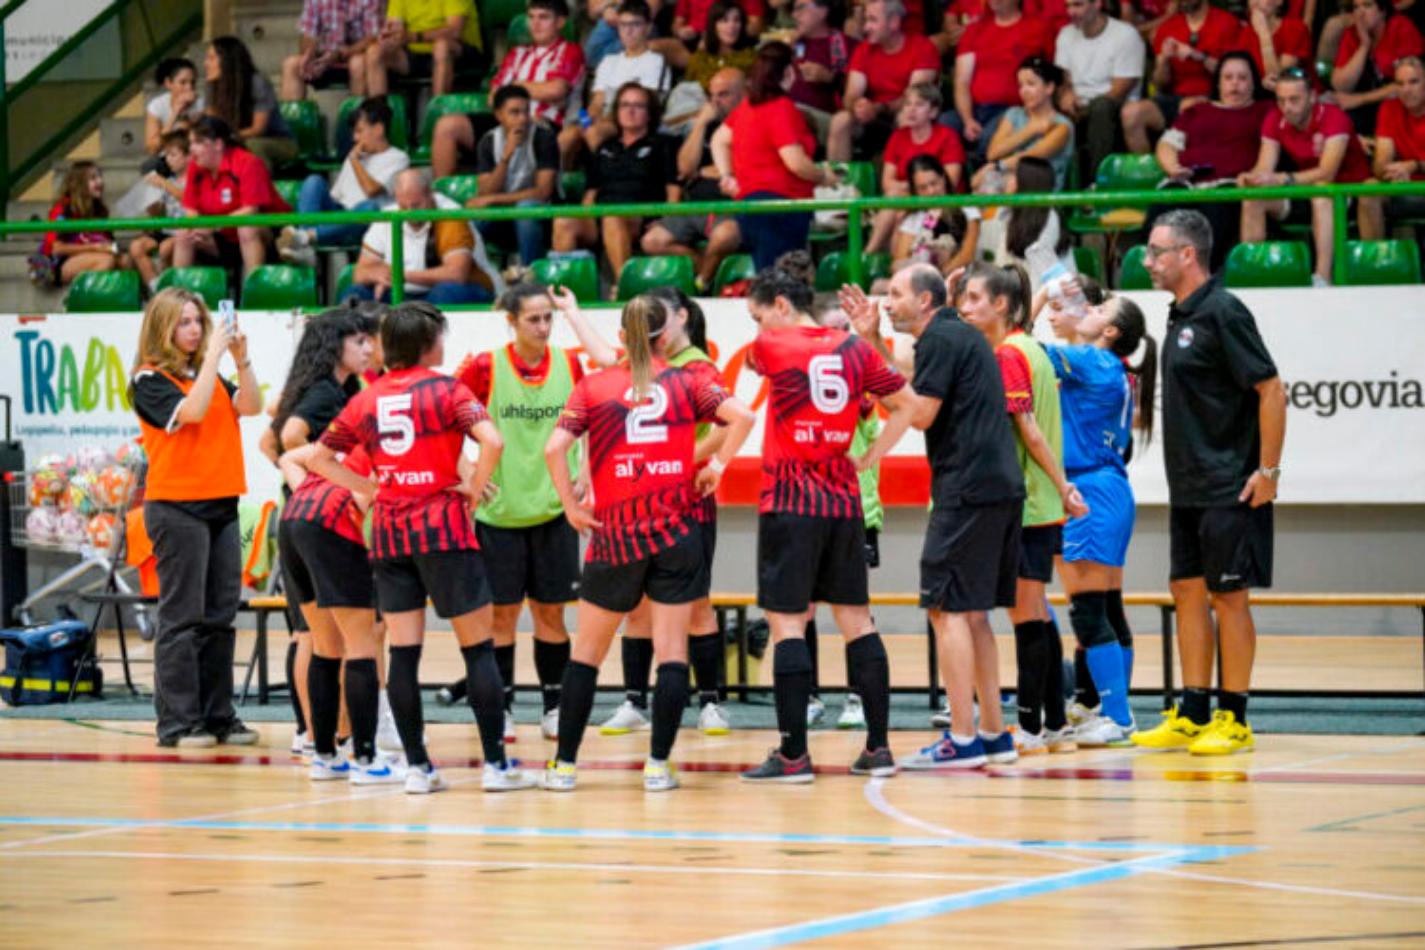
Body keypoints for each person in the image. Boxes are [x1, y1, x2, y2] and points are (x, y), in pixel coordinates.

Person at [314, 301, 537, 794]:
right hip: (443, 529)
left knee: (405, 656)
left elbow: (316, 456)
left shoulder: (366, 398)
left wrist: (371, 490)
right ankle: (497, 768)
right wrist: (476, 487)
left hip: (391, 533)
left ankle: (418, 769)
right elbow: (493, 441)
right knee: (478, 650)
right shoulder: (447, 389)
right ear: (426, 343)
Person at [540, 296, 756, 793]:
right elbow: (742, 416)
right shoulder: (687, 380)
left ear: (621, 337)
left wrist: (571, 506)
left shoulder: (594, 385)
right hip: (675, 532)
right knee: (672, 652)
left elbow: (555, 448)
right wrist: (716, 467)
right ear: (666, 338)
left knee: (587, 654)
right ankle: (658, 765)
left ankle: (565, 766)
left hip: (615, 535)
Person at [738, 268, 914, 784]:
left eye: (757, 313)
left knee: (788, 624)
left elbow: (753, 364)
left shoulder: (771, 344)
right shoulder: (856, 350)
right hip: (843, 499)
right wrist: (874, 453)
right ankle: (878, 749)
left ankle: (794, 755)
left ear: (779, 305)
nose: (756, 324)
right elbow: (904, 404)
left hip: (790, 500)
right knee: (858, 621)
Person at [843, 264, 1022, 769]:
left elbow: (919, 413)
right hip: (997, 488)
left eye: (896, 293)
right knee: (973, 613)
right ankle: (993, 734)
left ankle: (960, 740)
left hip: (966, 489)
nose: (887, 300)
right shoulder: (954, 338)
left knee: (945, 610)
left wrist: (873, 452)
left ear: (926, 301)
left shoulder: (941, 339)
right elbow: (910, 389)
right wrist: (874, 340)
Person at [1134, 208, 1286, 756]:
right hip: (1188, 488)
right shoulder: (1178, 315)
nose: (1147, 261)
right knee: (1187, 592)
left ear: (1187, 255)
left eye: (1156, 251)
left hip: (1230, 485)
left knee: (1229, 597)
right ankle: (1193, 713)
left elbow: (1271, 390)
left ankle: (1235, 717)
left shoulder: (1224, 311)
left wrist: (1267, 472)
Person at [590, 286, 740, 736]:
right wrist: (573, 312)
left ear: (680, 317)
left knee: (695, 606)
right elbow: (601, 371)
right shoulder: (635, 367)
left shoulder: (697, 366)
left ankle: (711, 703)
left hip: (686, 501)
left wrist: (695, 460)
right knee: (636, 608)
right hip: (636, 502)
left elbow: (730, 423)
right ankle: (635, 701)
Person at [955, 261, 1087, 754]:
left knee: (1026, 615)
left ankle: (1030, 726)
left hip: (1029, 504)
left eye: (972, 300)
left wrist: (1064, 486)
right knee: (1037, 613)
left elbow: (1028, 431)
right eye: (962, 300)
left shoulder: (1011, 354)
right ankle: (1054, 722)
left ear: (1002, 306)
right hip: (1040, 502)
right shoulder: (1030, 347)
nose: (965, 309)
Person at [450, 283, 586, 743]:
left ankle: (553, 707)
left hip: (553, 510)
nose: (544, 326)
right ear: (511, 321)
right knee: (501, 618)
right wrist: (467, 469)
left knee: (551, 616)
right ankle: (502, 709)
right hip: (499, 513)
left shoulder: (570, 362)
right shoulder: (485, 366)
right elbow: (442, 419)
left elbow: (594, 419)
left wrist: (585, 468)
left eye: (549, 317)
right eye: (533, 319)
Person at [129, 287, 262, 749]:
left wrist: (240, 360)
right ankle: (178, 723)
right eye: (184, 322)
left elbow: (251, 406)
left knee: (219, 618)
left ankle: (218, 716)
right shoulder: (149, 380)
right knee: (182, 618)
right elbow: (194, 411)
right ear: (163, 327)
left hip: (222, 504)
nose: (194, 330)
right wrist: (213, 359)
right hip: (177, 508)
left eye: (198, 322)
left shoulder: (209, 376)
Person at [1039, 280, 1158, 747]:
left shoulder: (1091, 360)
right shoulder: (1114, 367)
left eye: (1099, 307)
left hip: (1087, 488)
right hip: (1109, 489)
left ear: (1108, 330)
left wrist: (1040, 293)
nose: (1088, 307)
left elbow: (1018, 346)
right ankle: (1108, 710)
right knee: (1106, 606)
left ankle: (1118, 716)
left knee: (1088, 611)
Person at [1238, 68, 1381, 286]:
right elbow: (1264, 167)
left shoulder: (1335, 117)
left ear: (1313, 96)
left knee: (1321, 194)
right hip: (1303, 190)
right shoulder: (1274, 118)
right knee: (1253, 199)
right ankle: (1254, 273)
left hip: (1344, 192)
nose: (1287, 107)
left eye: (1294, 99)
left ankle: (1323, 277)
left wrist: (1281, 179)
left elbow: (1327, 172)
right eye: (1281, 100)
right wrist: (1252, 178)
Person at [713, 42, 837, 270]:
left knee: (768, 276)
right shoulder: (782, 108)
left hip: (750, 207)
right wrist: (823, 176)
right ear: (789, 72)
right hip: (781, 208)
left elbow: (719, 139)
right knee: (780, 282)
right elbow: (795, 162)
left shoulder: (746, 107)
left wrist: (727, 176)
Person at [1151, 51, 1273, 271]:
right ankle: (1153, 271)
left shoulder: (1265, 111)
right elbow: (1167, 144)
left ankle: (1199, 276)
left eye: (1242, 78)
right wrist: (1173, 168)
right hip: (1186, 181)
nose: (1235, 84)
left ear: (1254, 83)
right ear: (1218, 82)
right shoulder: (1197, 111)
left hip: (1228, 185)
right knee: (1165, 203)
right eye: (1228, 77)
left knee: (1214, 208)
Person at [429, 0, 584, 171]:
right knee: (447, 125)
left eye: (543, 17)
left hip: (545, 125)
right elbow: (494, 96)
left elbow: (556, 90)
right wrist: (535, 90)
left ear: (560, 22)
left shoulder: (571, 51)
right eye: (531, 17)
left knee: (521, 126)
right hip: (505, 122)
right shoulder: (517, 53)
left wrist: (515, 86)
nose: (536, 24)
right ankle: (440, 195)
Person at [552, 82, 679, 284]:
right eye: (624, 105)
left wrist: (668, 221)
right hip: (601, 216)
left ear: (650, 113)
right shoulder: (604, 147)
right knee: (564, 221)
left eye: (638, 106)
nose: (630, 111)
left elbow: (674, 192)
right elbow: (590, 195)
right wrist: (584, 216)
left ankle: (623, 287)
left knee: (612, 217)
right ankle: (570, 289)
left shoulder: (663, 144)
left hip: (642, 217)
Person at [642, 68, 746, 289]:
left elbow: (739, 169)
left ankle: (702, 284)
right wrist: (700, 123)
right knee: (651, 241)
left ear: (742, 95)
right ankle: (703, 265)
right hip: (696, 205)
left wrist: (710, 170)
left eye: (724, 94)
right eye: (712, 95)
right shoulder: (706, 124)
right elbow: (686, 168)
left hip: (731, 206)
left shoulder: (751, 122)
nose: (716, 102)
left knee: (725, 235)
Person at [279, 98, 412, 264]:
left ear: (378, 129)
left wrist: (355, 161)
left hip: (366, 223)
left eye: (360, 131)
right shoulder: (354, 156)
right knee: (313, 181)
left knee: (370, 208)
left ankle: (305, 237)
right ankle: (305, 245)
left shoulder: (398, 158)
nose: (355, 138)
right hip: (340, 218)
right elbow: (336, 196)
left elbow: (371, 191)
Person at [352, 168, 501, 304]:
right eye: (403, 207)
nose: (410, 212)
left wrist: (400, 275)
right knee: (356, 294)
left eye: (416, 205)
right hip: (404, 292)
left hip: (467, 289)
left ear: (430, 193)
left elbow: (457, 273)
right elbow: (360, 272)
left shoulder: (450, 214)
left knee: (444, 293)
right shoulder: (387, 215)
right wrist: (376, 276)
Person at [1121, 0, 1246, 154]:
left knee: (1189, 108)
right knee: (1131, 113)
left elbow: (1234, 73)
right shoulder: (1167, 28)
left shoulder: (1227, 23)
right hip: (1174, 97)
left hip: (1214, 95)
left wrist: (1199, 57)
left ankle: (1186, 169)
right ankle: (1149, 172)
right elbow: (1160, 83)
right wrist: (1164, 63)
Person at [173, 117, 290, 282]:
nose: (191, 149)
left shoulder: (248, 163)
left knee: (246, 228)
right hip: (222, 237)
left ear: (218, 144)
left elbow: (251, 210)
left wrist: (212, 226)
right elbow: (190, 210)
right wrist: (197, 227)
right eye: (190, 143)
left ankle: (253, 293)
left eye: (198, 143)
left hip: (269, 235)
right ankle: (176, 299)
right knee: (184, 233)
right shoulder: (196, 166)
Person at [459, 85, 562, 268]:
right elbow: (485, 192)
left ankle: (529, 277)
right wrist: (506, 157)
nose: (523, 118)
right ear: (499, 115)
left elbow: (543, 192)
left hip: (542, 219)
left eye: (526, 111)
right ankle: (476, 276)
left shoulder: (544, 137)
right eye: (515, 113)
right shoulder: (488, 141)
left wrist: (494, 200)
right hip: (505, 220)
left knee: (526, 208)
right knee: (474, 219)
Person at [828, 0, 941, 162]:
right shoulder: (864, 50)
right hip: (873, 119)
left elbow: (915, 98)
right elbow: (851, 95)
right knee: (841, 120)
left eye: (873, 20)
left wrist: (879, 108)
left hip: (904, 115)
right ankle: (838, 184)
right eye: (866, 20)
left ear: (894, 22)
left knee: (908, 117)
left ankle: (901, 181)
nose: (866, 27)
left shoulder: (923, 48)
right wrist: (858, 106)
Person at [952, 0, 1058, 163]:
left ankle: (984, 180)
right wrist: (967, 119)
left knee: (987, 142)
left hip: (1014, 109)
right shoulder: (974, 30)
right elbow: (962, 81)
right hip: (974, 108)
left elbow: (1051, 74)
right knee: (944, 126)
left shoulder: (1038, 28)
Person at [1054, 0, 1145, 185]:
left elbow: (1120, 89)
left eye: (1078, 5)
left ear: (1097, 3)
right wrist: (1066, 94)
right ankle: (1051, 188)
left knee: (1100, 107)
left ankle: (1098, 184)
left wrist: (1085, 109)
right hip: (1079, 106)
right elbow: (1064, 80)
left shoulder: (1126, 35)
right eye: (1068, 6)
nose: (1071, 12)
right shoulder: (1065, 34)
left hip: (1114, 107)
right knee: (1045, 103)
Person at [868, 84, 966, 254]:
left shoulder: (947, 136)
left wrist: (908, 188)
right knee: (896, 205)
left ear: (934, 112)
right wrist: (912, 190)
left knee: (898, 208)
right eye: (907, 104)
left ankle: (870, 254)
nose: (911, 110)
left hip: (942, 203)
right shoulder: (898, 137)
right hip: (906, 200)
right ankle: (882, 260)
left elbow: (949, 181)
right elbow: (887, 183)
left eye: (919, 105)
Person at [974, 56, 1076, 191]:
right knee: (979, 186)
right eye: (1020, 85)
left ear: (1049, 88)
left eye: (1031, 84)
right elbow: (993, 153)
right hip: (1006, 183)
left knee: (1002, 184)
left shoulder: (1062, 126)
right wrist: (1030, 130)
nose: (1024, 91)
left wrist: (996, 167)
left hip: (1041, 190)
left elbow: (1031, 157)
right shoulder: (1014, 114)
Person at [584, 0, 673, 153]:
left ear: (648, 27)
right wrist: (589, 119)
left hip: (632, 119)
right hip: (604, 120)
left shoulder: (656, 61)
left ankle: (607, 174)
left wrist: (605, 120)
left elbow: (645, 106)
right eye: (623, 25)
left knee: (594, 133)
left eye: (635, 25)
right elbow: (597, 102)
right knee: (567, 136)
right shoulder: (608, 61)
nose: (628, 31)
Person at [204, 36, 298, 170]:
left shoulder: (256, 83)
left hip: (278, 141)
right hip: (235, 138)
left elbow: (258, 129)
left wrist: (228, 138)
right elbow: (212, 122)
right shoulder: (212, 86)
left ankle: (259, 187)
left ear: (227, 61)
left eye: (211, 58)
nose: (205, 63)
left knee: (253, 144)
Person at [1332, 0, 1424, 133]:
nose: (1360, 13)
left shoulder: (1401, 26)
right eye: (1356, 7)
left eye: (1367, 5)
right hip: (1368, 105)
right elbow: (1341, 85)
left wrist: (1360, 99)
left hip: (1400, 100)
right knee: (1336, 112)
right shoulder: (1352, 34)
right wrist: (1364, 46)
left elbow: (1408, 83)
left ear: (1383, 11)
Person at [884, 155, 979, 282]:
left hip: (960, 280)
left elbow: (967, 255)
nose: (931, 191)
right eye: (923, 188)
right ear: (915, 190)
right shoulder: (913, 219)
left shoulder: (968, 210)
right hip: (920, 284)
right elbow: (900, 260)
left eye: (934, 183)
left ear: (944, 179)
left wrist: (939, 279)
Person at [983, 157, 1076, 286]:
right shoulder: (1008, 212)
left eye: (1013, 175)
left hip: (1052, 295)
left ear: (1025, 182)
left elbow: (1042, 277)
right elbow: (998, 260)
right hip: (1019, 295)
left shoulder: (1050, 218)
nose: (1007, 180)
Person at [36, 162, 131, 288]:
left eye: (100, 177)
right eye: (93, 178)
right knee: (106, 261)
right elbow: (56, 248)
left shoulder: (100, 210)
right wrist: (95, 247)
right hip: (57, 264)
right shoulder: (63, 209)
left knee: (127, 261)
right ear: (79, 184)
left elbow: (107, 242)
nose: (100, 181)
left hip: (90, 255)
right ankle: (77, 300)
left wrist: (108, 248)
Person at [365, 0, 484, 98]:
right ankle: (377, 118)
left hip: (460, 51)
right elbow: (393, 26)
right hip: (417, 54)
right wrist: (388, 36)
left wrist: (414, 37)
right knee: (374, 52)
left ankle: (437, 116)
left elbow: (454, 31)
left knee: (441, 47)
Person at [281, 0, 384, 99]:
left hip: (356, 53)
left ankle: (361, 115)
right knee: (290, 64)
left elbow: (373, 37)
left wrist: (341, 53)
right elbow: (308, 35)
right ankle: (293, 116)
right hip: (323, 59)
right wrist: (309, 53)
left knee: (358, 63)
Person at [129, 133, 191, 293]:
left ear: (188, 157)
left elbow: (187, 199)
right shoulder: (168, 180)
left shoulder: (194, 178)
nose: (168, 159)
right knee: (136, 247)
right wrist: (149, 197)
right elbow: (158, 213)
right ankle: (156, 288)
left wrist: (163, 183)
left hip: (185, 231)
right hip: (166, 229)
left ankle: (170, 289)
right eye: (166, 155)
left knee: (165, 249)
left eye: (173, 155)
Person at [788, 0, 856, 143]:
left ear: (822, 12)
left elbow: (858, 95)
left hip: (829, 121)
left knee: (792, 114)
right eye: (793, 10)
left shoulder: (848, 46)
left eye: (801, 8)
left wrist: (829, 78)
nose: (794, 15)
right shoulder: (793, 45)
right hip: (786, 114)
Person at [1374, 56, 1425, 222]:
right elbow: (1381, 162)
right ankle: (1376, 249)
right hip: (1406, 188)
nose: (1406, 90)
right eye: (1400, 84)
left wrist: (1414, 166)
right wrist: (1390, 171)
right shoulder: (1389, 108)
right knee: (1369, 189)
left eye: (1413, 82)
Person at [658, 0, 767, 70]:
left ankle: (708, 64)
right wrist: (680, 31)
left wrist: (727, 29)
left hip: (729, 38)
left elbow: (756, 26)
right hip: (691, 39)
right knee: (655, 47)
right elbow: (676, 25)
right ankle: (701, 63)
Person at [685, 0, 759, 89]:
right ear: (713, 26)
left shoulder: (752, 58)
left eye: (737, 20)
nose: (732, 25)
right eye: (724, 20)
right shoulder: (699, 60)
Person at [1243, 0, 1313, 88]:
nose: (1256, 2)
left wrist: (1264, 35)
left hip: (1298, 95)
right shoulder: (1245, 33)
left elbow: (1278, 80)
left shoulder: (1296, 28)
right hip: (1260, 97)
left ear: (1279, 1)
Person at [145, 58, 204, 160]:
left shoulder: (201, 104)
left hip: (195, 157)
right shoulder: (157, 105)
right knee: (149, 167)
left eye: (192, 82)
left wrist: (191, 122)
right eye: (183, 82)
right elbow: (152, 149)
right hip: (168, 158)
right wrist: (174, 115)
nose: (189, 88)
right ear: (168, 83)